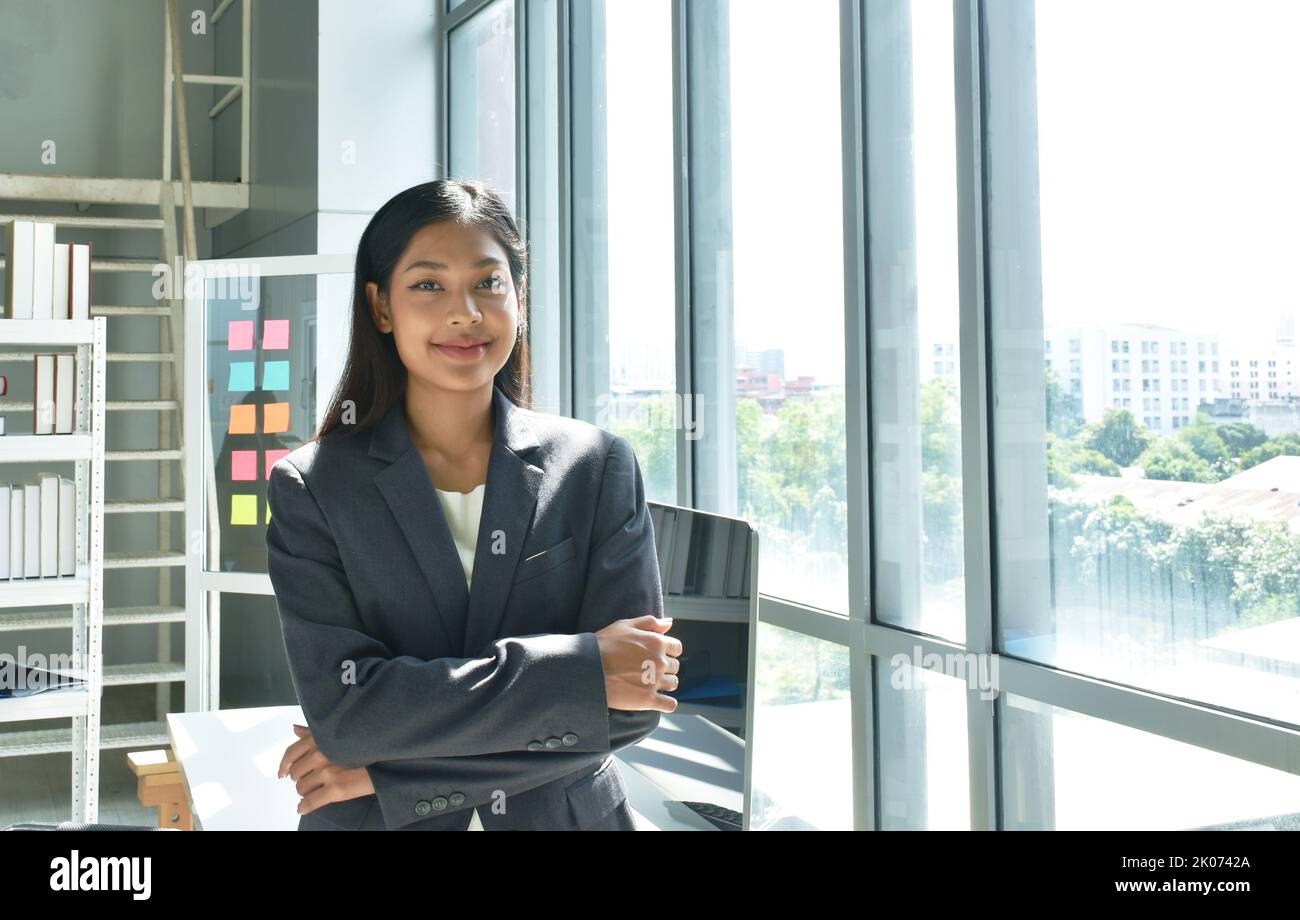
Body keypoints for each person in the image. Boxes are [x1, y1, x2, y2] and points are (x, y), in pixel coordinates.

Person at [266, 178, 681, 830]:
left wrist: (391, 772)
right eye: (429, 285)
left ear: (519, 299)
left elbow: (635, 701)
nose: (465, 312)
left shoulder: (596, 466)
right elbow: (348, 713)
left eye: (489, 283)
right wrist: (582, 670)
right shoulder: (313, 487)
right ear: (380, 307)